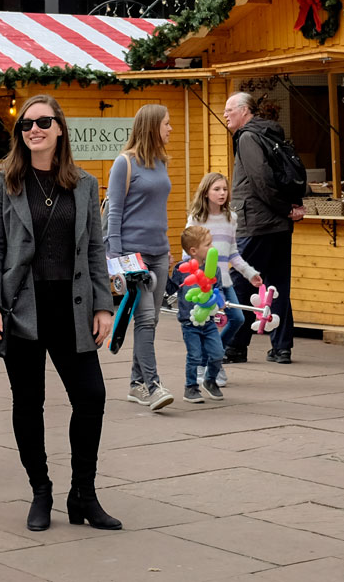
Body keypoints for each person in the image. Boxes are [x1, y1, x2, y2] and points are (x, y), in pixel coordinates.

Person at [0, 94, 119, 533]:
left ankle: (84, 494)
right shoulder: (5, 183)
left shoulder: (85, 184)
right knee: (28, 404)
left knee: (91, 397)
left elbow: (96, 248)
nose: (33, 129)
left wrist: (103, 305)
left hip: (72, 308)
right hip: (21, 309)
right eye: (25, 124)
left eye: (43, 122)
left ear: (60, 128)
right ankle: (41, 490)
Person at [105, 103, 176, 412]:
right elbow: (115, 214)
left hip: (159, 252)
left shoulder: (161, 162)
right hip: (133, 257)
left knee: (153, 319)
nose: (171, 129)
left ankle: (135, 384)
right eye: (167, 124)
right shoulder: (124, 163)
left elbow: (158, 209)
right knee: (145, 319)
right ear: (151, 127)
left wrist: (167, 246)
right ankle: (152, 385)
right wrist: (115, 259)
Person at [222, 92, 299, 364]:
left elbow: (261, 181)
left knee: (243, 282)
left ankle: (234, 346)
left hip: (256, 223)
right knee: (277, 286)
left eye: (230, 109)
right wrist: (287, 210)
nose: (225, 114)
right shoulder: (270, 133)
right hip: (278, 225)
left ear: (244, 111)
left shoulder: (247, 137)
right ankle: (282, 348)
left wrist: (283, 209)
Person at [183, 172, 262, 387]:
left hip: (224, 282)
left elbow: (233, 254)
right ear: (206, 192)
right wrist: (194, 276)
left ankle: (212, 360)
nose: (222, 193)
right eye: (216, 189)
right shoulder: (196, 219)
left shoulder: (231, 219)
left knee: (238, 319)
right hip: (203, 284)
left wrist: (250, 273)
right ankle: (205, 366)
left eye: (224, 189)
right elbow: (187, 254)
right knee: (203, 325)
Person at [174, 223, 232, 404]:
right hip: (189, 322)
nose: (212, 248)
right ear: (193, 250)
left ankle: (210, 380)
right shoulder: (181, 269)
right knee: (195, 356)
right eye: (208, 244)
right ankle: (190, 387)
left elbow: (218, 289)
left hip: (208, 321)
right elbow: (170, 288)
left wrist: (220, 301)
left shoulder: (213, 269)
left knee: (217, 353)